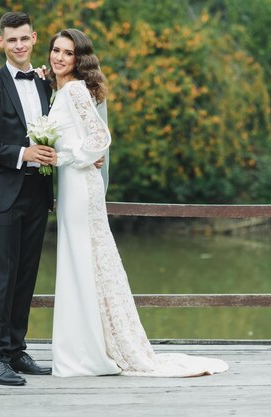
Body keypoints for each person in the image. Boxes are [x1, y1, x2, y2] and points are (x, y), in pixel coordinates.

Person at [46, 29, 229, 377]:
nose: (59, 57)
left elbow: (101, 136)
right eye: (55, 50)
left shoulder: (73, 90)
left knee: (84, 263)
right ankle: (85, 347)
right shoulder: (61, 90)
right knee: (80, 264)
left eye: (67, 53)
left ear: (79, 59)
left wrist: (64, 157)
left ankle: (86, 353)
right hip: (72, 186)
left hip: (80, 186)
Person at [0, 11, 56, 386]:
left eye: (24, 38)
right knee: (1, 276)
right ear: (1, 43)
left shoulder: (45, 84)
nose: (19, 45)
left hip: (39, 191)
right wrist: (23, 154)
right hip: (4, 191)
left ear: (34, 39)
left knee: (25, 276)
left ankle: (16, 351)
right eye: (11, 39)